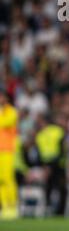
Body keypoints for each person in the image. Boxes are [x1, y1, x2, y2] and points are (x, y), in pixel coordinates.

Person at [0, 90, 19, 220]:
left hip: (7, 150)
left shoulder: (11, 111)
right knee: (0, 180)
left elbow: (3, 123)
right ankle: (5, 207)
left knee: (8, 179)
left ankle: (13, 207)